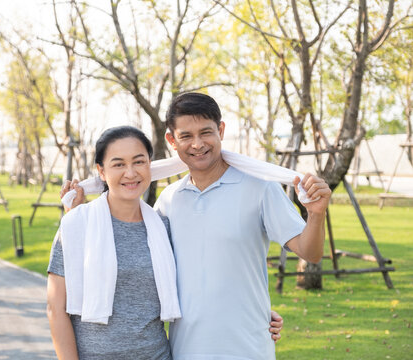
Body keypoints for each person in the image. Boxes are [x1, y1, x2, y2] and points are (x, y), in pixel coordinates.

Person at [48, 126, 284, 360]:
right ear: (101, 171)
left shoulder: (161, 225)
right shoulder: (77, 225)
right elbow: (55, 310)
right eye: (119, 164)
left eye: (139, 162)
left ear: (150, 165)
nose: (130, 173)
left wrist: (256, 312)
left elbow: (200, 279)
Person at [153, 92, 332, 360]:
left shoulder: (260, 188)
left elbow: (311, 253)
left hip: (249, 347)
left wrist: (315, 215)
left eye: (206, 132)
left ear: (221, 130)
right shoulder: (167, 201)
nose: (198, 144)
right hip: (185, 349)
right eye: (186, 136)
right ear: (172, 140)